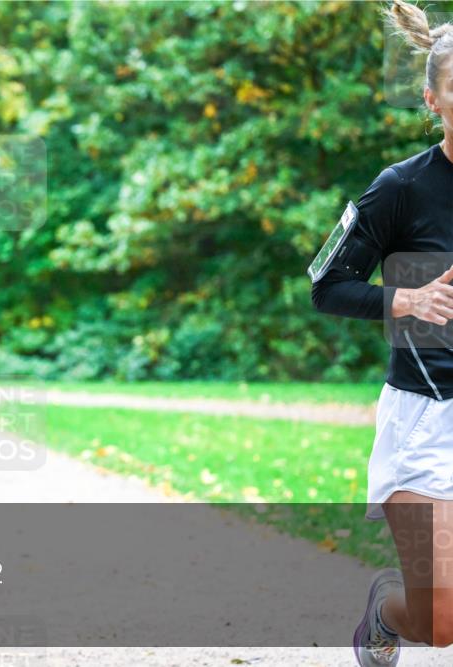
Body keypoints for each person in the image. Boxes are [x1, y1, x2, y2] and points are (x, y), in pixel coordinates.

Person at [311, 2, 452, 664]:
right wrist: (407, 299)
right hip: (426, 424)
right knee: (441, 620)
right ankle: (386, 611)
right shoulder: (401, 188)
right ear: (434, 99)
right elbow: (327, 285)